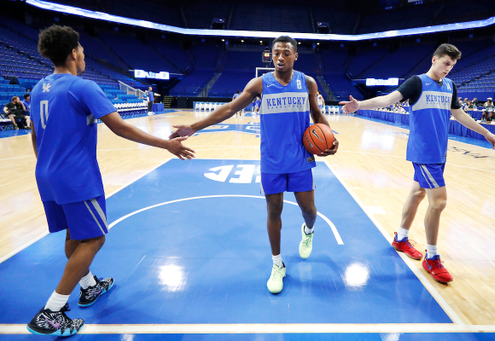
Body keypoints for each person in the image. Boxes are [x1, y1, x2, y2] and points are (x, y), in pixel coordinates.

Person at [26, 25, 195, 337]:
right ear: (74, 52)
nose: (85, 55)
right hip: (76, 177)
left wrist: (48, 167)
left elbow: (35, 134)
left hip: (46, 174)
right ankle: (52, 310)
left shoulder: (39, 89)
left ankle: (89, 286)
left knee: (77, 236)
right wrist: (167, 145)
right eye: (82, 50)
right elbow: (121, 128)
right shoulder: (82, 87)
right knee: (94, 239)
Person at [170, 36, 338, 294]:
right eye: (275, 53)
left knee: (310, 210)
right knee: (274, 212)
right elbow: (228, 109)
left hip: (301, 159)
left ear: (295, 56)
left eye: (286, 53)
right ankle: (277, 264)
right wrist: (193, 127)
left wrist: (330, 137)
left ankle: (308, 230)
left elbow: (316, 115)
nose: (280, 57)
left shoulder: (308, 83)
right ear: (270, 56)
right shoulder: (260, 84)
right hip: (271, 161)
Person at [341, 43, 495, 284]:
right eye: (446, 63)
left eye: (452, 65)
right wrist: (359, 105)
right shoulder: (417, 82)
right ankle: (433, 257)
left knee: (417, 194)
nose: (448, 68)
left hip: (440, 154)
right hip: (423, 153)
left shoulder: (450, 86)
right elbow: (387, 99)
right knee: (438, 202)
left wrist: (486, 133)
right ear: (434, 59)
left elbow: (459, 114)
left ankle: (401, 238)